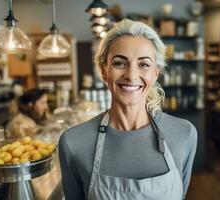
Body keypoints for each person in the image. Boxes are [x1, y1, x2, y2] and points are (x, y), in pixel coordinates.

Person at [58, 19, 198, 200]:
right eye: (119, 63)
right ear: (103, 71)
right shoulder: (73, 143)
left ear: (155, 73)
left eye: (144, 64)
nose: (132, 75)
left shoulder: (184, 134)